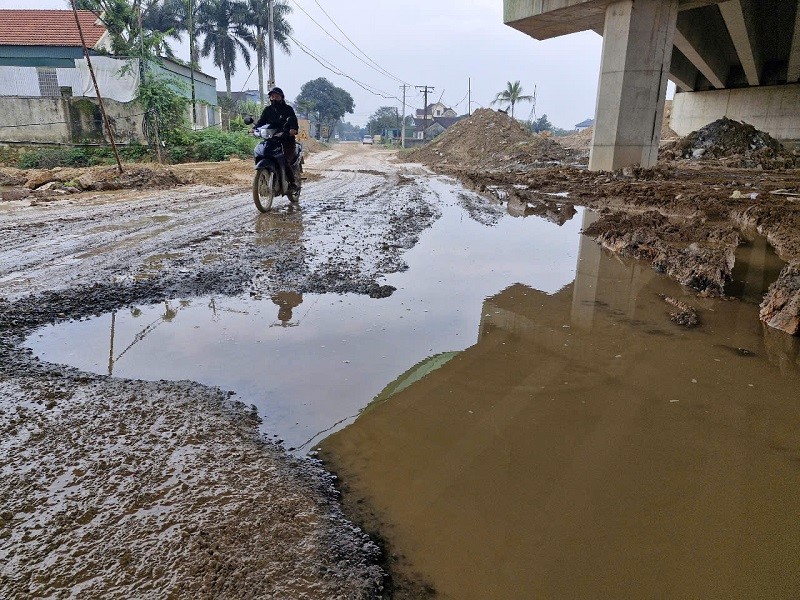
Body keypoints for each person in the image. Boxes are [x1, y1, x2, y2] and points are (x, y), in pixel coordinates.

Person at [253, 87, 300, 192]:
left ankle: (292, 183)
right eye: (272, 96)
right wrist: (254, 129)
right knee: (262, 152)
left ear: (281, 97)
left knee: (285, 160)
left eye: (276, 96)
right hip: (271, 139)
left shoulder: (288, 109)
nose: (274, 98)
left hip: (287, 140)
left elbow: (293, 122)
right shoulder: (267, 110)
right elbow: (261, 122)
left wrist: (292, 129)